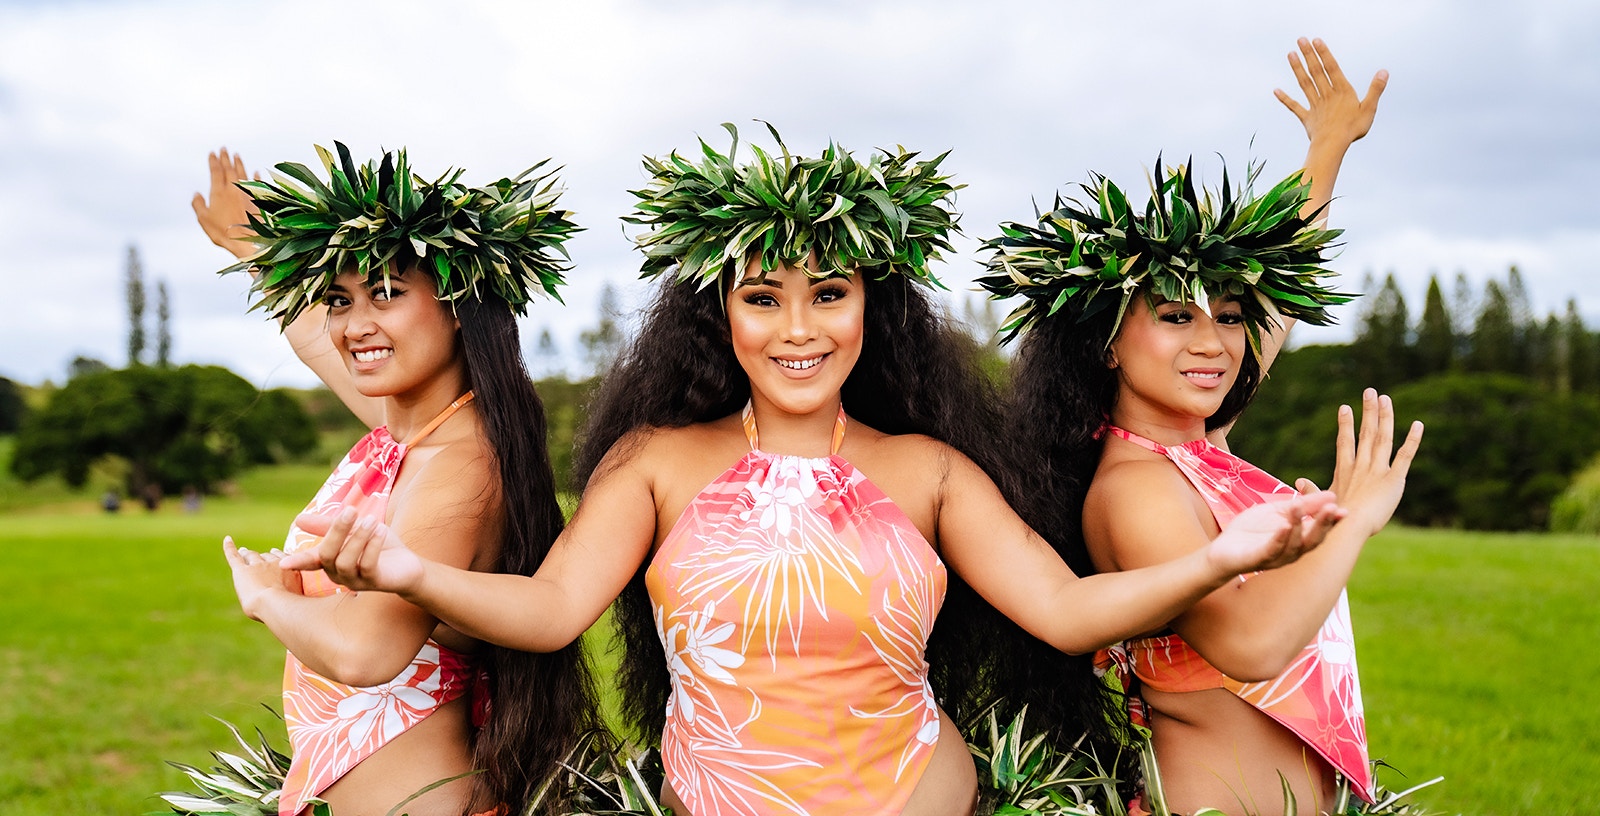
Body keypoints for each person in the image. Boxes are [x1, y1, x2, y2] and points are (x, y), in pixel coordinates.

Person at [285, 125, 1345, 816]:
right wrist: (409, 575)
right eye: (763, 298)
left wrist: (1226, 558)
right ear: (719, 316)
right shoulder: (657, 465)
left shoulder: (927, 470)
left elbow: (1069, 612)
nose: (799, 328)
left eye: (828, 294)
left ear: (870, 309)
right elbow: (552, 607)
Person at [981, 39, 1420, 814]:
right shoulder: (1137, 491)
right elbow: (1249, 645)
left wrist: (1326, 148)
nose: (1212, 343)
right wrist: (1354, 521)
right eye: (1177, 316)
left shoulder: (1195, 447)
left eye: (1226, 317)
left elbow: (1270, 306)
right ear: (1108, 341)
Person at [192, 143, 595, 816]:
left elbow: (367, 648)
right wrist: (260, 255)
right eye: (338, 299)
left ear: (459, 306)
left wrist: (264, 597)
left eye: (386, 293)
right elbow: (321, 341)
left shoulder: (459, 467)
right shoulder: (408, 435)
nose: (354, 325)